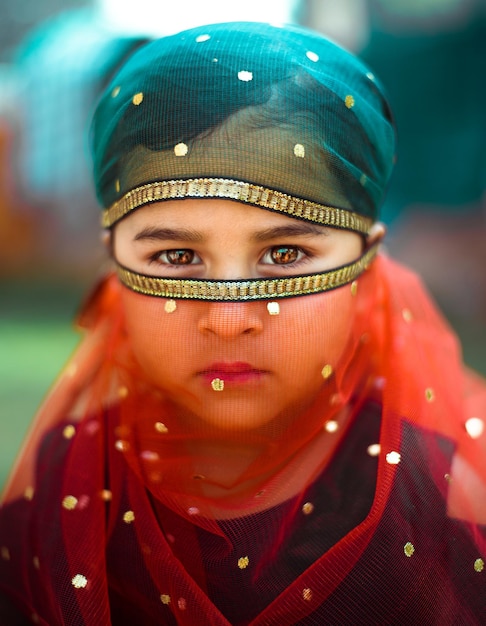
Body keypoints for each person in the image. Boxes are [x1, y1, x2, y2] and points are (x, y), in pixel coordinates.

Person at [1, 21, 485, 625]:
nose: (229, 319)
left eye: (284, 255)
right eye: (177, 258)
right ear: (113, 266)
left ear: (366, 264)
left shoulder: (442, 491)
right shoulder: (73, 476)